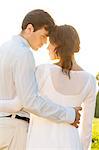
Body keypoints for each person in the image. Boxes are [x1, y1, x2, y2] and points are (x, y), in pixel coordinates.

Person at [0, 10, 81, 150]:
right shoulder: (24, 54)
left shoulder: (3, 48)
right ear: (29, 29)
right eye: (43, 36)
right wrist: (69, 114)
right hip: (15, 129)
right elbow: (30, 101)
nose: (44, 42)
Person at [26, 25, 96, 150]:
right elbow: (87, 127)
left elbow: (28, 103)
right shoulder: (90, 80)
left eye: (50, 43)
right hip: (71, 144)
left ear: (58, 44)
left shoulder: (42, 71)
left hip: (40, 142)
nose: (48, 47)